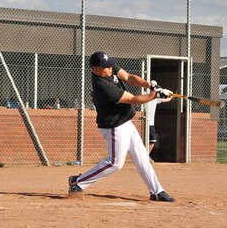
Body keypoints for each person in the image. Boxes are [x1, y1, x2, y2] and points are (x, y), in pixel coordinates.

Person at [68, 51, 175, 202]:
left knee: (142, 157)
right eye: (106, 67)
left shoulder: (109, 68)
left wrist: (150, 85)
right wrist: (156, 95)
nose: (111, 68)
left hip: (126, 123)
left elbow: (130, 77)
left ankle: (157, 191)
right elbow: (133, 99)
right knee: (115, 163)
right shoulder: (102, 86)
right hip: (113, 126)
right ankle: (77, 182)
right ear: (96, 69)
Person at [146, 93, 173, 161]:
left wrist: (171, 96)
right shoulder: (145, 97)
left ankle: (145, 156)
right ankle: (144, 156)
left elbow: (167, 99)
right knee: (146, 141)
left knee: (153, 141)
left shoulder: (155, 98)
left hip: (150, 123)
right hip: (144, 121)